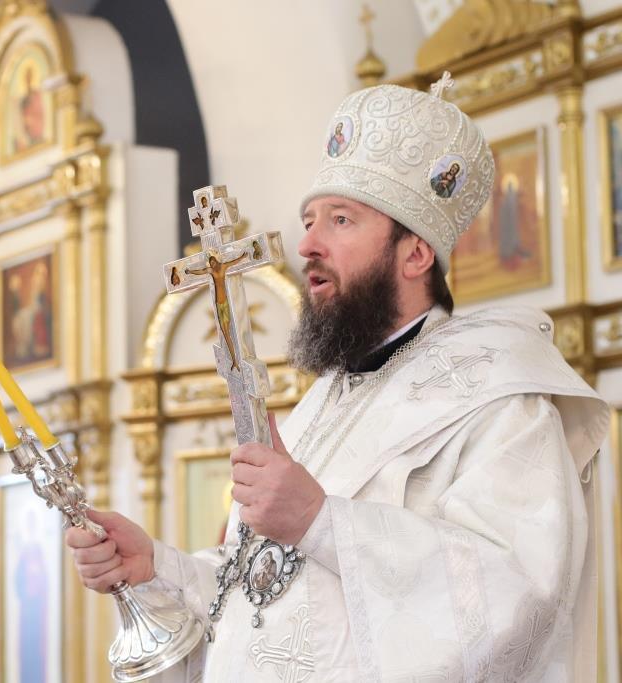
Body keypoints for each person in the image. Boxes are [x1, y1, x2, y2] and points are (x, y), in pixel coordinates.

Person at [66, 75, 608, 681]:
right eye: (309, 220)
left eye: (341, 220)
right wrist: (157, 568)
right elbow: (268, 593)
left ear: (415, 254)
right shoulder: (325, 402)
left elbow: (516, 596)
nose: (307, 244)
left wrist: (320, 521)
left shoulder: (500, 400)